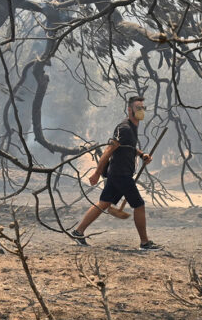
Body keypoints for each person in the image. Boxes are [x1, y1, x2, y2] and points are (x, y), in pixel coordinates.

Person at [69, 96, 161, 251]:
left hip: (119, 174)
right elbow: (109, 149)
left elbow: (129, 146)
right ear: (130, 110)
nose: (141, 111)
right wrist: (97, 173)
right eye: (138, 108)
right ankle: (145, 243)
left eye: (142, 108)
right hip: (121, 174)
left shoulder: (132, 127)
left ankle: (78, 232)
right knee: (139, 205)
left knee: (104, 203)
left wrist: (141, 154)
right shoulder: (124, 128)